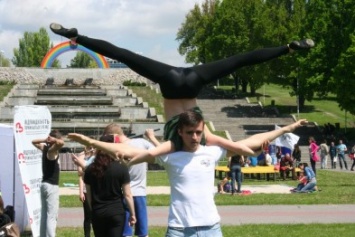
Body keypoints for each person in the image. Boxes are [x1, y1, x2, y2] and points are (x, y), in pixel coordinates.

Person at [50, 22, 313, 158]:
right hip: (172, 84)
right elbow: (144, 153)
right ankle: (77, 37)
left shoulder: (205, 136)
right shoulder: (176, 142)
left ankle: (287, 48)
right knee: (126, 55)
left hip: (193, 79)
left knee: (240, 59)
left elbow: (241, 146)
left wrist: (264, 143)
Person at [102, 123, 155, 237]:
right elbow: (157, 152)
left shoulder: (116, 149)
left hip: (123, 194)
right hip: (138, 193)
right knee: (143, 232)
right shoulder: (141, 142)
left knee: (126, 233)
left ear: (114, 136)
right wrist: (151, 137)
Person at [84, 134, 136, 237]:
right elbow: (128, 195)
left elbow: (89, 197)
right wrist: (133, 214)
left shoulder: (90, 169)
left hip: (98, 212)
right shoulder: (121, 168)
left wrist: (93, 210)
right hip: (116, 212)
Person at [32, 129, 64, 237]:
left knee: (44, 216)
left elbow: (33, 141)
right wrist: (53, 140)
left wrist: (45, 139)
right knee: (51, 216)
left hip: (44, 185)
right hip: (51, 187)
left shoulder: (45, 148)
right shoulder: (51, 150)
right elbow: (62, 143)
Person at [73, 146, 96, 237]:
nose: (90, 148)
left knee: (97, 215)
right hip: (86, 189)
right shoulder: (81, 156)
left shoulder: (96, 156)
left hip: (96, 189)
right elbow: (80, 174)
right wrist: (81, 191)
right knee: (88, 216)